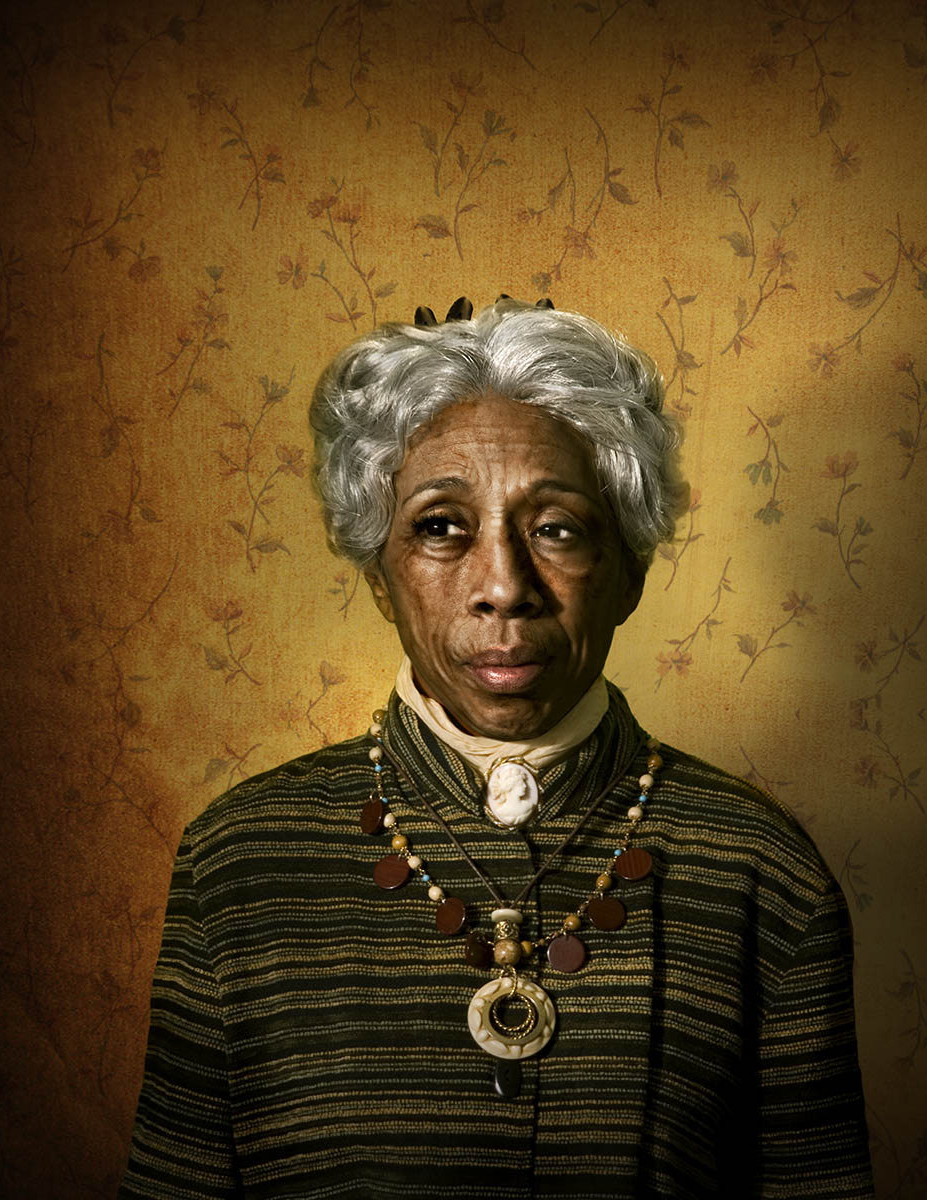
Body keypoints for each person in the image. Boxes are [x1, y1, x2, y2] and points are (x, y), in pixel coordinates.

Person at [120, 298, 874, 1198]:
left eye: (555, 528)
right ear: (378, 572)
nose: (504, 588)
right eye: (440, 526)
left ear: (628, 571)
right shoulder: (237, 859)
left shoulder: (764, 871)